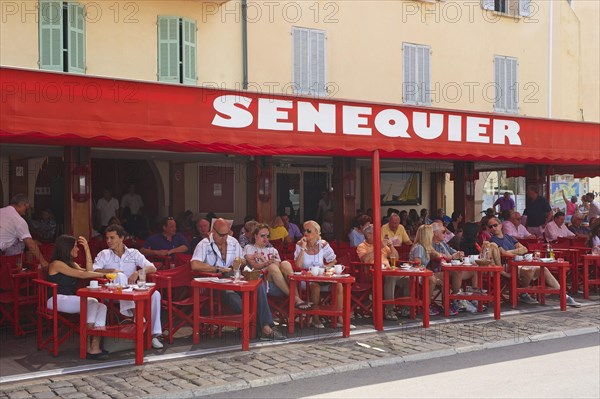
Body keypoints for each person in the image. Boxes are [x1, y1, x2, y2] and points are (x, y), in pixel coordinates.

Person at [190, 219, 285, 340]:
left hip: (233, 277)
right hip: (215, 283)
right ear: (213, 231)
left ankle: (264, 325)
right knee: (232, 297)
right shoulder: (204, 244)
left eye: (227, 234)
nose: (225, 238)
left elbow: (243, 261)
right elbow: (195, 264)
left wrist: (243, 261)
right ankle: (260, 327)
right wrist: (217, 269)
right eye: (221, 235)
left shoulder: (233, 242)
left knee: (258, 285)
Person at [91, 224, 165, 348]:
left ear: (121, 238)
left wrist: (138, 272)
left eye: (112, 238)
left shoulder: (133, 253)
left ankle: (153, 335)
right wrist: (112, 270)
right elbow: (93, 271)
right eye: (107, 238)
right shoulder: (104, 254)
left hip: (132, 292)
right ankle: (137, 315)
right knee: (119, 275)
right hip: (110, 293)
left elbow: (152, 267)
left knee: (155, 294)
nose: (108, 241)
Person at [486, 217, 580, 307]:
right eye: (490, 227)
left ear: (500, 225)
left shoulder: (508, 237)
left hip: (521, 263)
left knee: (544, 269)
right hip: (509, 266)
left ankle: (564, 295)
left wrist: (512, 252)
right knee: (530, 270)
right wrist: (517, 251)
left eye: (495, 225)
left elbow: (525, 249)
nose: (493, 228)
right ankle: (523, 293)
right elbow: (504, 253)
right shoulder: (493, 240)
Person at [47, 235, 109, 359]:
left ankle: (94, 346)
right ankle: (86, 345)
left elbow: (88, 272)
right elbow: (81, 275)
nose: (77, 249)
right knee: (92, 302)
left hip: (69, 299)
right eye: (75, 246)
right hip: (56, 299)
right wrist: (106, 275)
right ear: (67, 248)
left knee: (102, 306)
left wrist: (86, 249)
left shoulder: (72, 263)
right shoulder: (56, 264)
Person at [295, 220, 353, 329]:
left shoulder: (323, 244)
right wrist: (303, 247)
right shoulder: (299, 245)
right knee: (315, 286)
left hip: (321, 277)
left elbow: (333, 260)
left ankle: (339, 318)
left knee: (339, 286)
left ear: (317, 232)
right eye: (304, 230)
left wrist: (326, 267)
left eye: (308, 230)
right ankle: (315, 317)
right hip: (305, 280)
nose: (305, 233)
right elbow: (298, 265)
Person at [244, 223, 310, 310]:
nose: (265, 239)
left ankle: (297, 300)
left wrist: (269, 262)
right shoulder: (249, 248)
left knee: (285, 263)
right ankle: (295, 298)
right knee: (272, 267)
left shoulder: (273, 250)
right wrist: (266, 263)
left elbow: (278, 267)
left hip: (281, 282)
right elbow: (253, 266)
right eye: (262, 236)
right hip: (264, 283)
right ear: (255, 236)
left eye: (267, 236)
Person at [357, 224, 407, 321]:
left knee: (408, 279)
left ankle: (405, 308)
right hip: (372, 275)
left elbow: (396, 258)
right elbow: (365, 259)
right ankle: (389, 310)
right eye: (377, 234)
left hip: (388, 272)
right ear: (368, 235)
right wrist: (379, 247)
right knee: (390, 278)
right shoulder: (362, 246)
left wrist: (391, 246)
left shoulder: (382, 245)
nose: (379, 236)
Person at [431, 222, 476, 315]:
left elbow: (453, 252)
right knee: (457, 271)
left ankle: (474, 297)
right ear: (435, 233)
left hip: (451, 270)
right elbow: (437, 257)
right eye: (443, 232)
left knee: (474, 271)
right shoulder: (431, 245)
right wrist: (452, 256)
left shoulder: (443, 242)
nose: (445, 234)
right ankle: (456, 299)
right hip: (438, 272)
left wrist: (459, 253)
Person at [0, 194, 48, 266]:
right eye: (26, 208)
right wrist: (43, 262)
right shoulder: (18, 220)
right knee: (22, 243)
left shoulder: (1, 211)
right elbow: (30, 244)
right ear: (21, 204)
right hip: (5, 258)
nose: (25, 212)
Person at [408, 225, 441, 316]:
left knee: (444, 276)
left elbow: (438, 255)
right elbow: (417, 265)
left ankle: (448, 303)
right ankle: (427, 304)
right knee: (432, 279)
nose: (433, 235)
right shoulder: (419, 247)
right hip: (416, 274)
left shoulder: (426, 246)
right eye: (431, 233)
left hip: (424, 273)